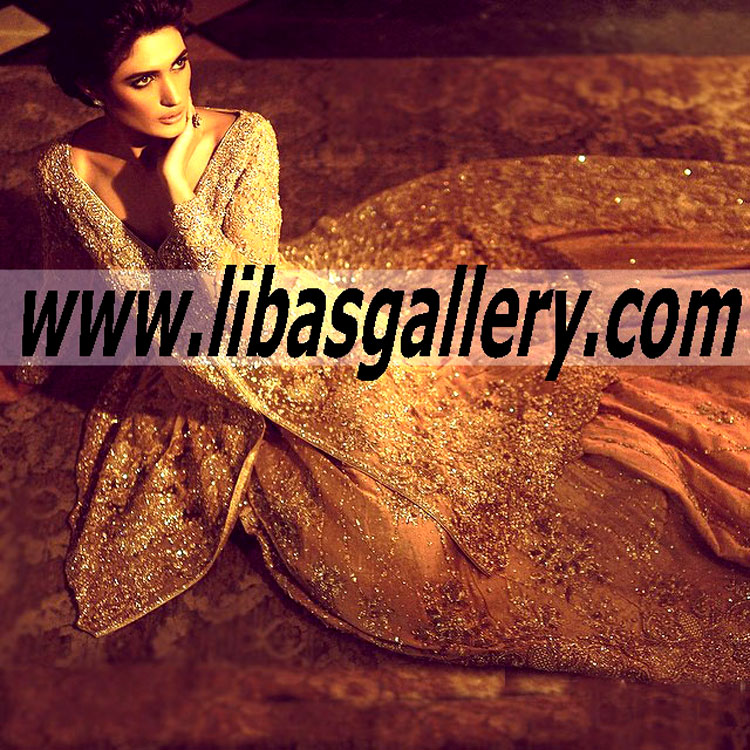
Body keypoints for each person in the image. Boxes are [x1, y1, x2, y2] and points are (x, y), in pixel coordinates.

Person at [9, 0, 750, 684]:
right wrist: (28, 365)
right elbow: (64, 268)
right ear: (91, 90)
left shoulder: (242, 139)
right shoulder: (63, 171)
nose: (175, 94)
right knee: (381, 549)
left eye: (179, 64)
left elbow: (242, 302)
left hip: (285, 340)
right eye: (144, 79)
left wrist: (178, 192)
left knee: (437, 504)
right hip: (192, 376)